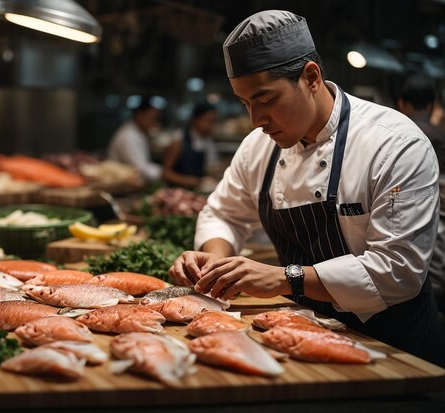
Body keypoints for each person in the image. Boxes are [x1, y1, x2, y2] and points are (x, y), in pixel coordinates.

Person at [169, 10, 445, 366]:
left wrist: (287, 278)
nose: (256, 121)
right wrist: (217, 262)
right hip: (305, 336)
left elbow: (399, 270)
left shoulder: (394, 145)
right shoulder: (258, 147)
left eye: (265, 100)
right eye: (245, 104)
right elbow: (223, 213)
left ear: (311, 77)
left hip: (399, 349)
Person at [397, 74, 445, 312]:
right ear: (431, 105)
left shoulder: (395, 140)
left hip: (414, 250)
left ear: (402, 103)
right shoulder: (441, 136)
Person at [162, 102, 220, 190]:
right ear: (195, 120)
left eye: (214, 122)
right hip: (178, 192)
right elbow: (166, 173)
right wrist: (192, 181)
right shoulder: (178, 140)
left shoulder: (208, 141)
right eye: (208, 121)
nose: (212, 126)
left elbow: (212, 167)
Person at [107, 96, 162, 182]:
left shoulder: (138, 132)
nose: (154, 122)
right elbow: (140, 170)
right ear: (139, 114)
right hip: (121, 186)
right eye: (152, 117)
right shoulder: (128, 136)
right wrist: (165, 173)